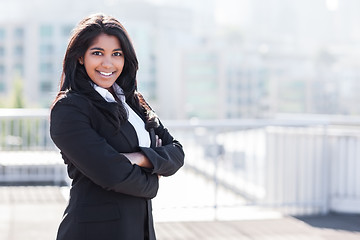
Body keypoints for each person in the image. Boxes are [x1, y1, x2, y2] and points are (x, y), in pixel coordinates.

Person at [50, 13, 185, 240]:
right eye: (97, 53)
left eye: (117, 54)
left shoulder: (133, 101)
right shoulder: (69, 109)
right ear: (81, 57)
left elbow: (177, 152)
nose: (108, 63)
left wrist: (140, 158)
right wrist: (153, 178)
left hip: (140, 230)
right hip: (94, 232)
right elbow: (113, 175)